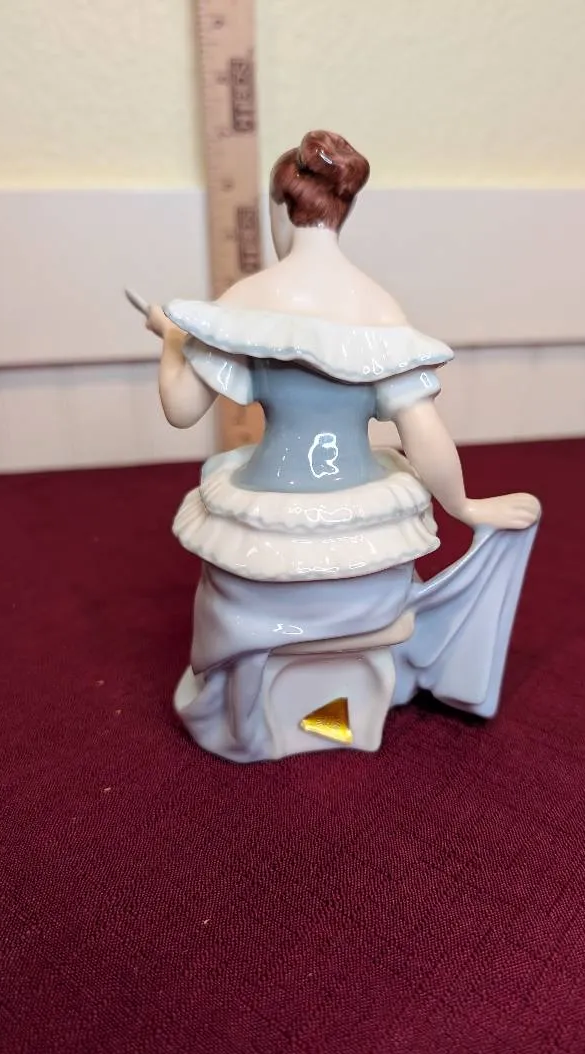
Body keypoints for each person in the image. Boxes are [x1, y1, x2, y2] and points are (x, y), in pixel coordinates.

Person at [140, 130, 540, 762]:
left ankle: (267, 722)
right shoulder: (377, 307)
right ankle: (333, 718)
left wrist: (172, 341)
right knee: (377, 589)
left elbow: (182, 409)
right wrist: (464, 506)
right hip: (361, 540)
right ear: (344, 208)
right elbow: (423, 432)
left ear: (281, 209)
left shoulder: (246, 301)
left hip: (268, 534)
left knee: (236, 589)